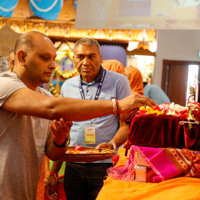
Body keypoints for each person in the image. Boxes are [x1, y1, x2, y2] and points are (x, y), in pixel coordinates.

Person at [0, 31, 155, 200]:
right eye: (45, 58)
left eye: (53, 58)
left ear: (100, 58)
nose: (53, 65)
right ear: (22, 58)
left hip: (27, 190)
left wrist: (60, 139)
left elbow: (52, 152)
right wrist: (116, 105)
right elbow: (52, 108)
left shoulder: (46, 95)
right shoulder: (5, 85)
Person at [45, 38, 148, 200]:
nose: (85, 62)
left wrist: (113, 144)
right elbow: (62, 133)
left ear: (100, 58)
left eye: (91, 57)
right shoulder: (67, 86)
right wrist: (53, 172)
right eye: (80, 57)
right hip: (74, 164)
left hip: (106, 164)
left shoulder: (119, 82)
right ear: (73, 59)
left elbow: (126, 126)